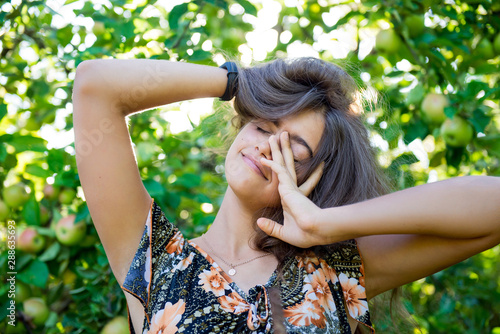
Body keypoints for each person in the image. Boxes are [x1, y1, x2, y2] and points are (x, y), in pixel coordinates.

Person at [73, 57, 500, 334]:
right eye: (262, 126)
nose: (264, 147)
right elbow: (96, 85)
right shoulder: (155, 261)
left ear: (314, 182)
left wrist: (324, 224)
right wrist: (241, 82)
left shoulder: (335, 271)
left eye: (291, 151)